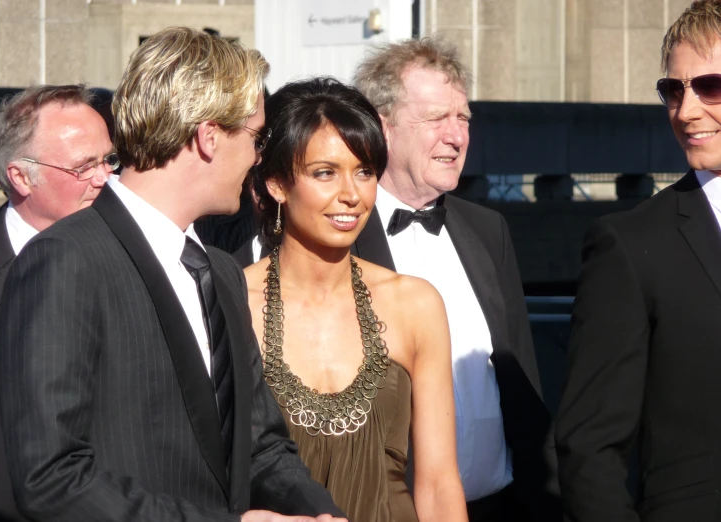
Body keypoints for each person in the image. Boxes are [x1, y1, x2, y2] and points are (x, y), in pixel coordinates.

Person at [0, 27, 345, 522]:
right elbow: (52, 479)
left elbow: (260, 446)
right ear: (208, 137)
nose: (260, 157)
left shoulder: (221, 271)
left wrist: (323, 515)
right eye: (257, 138)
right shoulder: (65, 260)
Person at [351, 38, 561, 521]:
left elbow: (522, 380)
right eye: (435, 119)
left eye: (463, 118)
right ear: (381, 126)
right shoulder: (339, 238)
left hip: (502, 506)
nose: (456, 137)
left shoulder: (489, 230)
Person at [243, 77, 468, 522]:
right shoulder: (231, 302)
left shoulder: (415, 305)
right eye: (324, 172)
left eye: (364, 171)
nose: (352, 194)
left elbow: (439, 481)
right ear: (276, 185)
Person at [556, 2, 721, 520]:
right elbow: (588, 449)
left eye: (709, 86)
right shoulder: (630, 245)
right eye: (673, 90)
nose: (686, 110)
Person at [0, 84, 113, 521]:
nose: (104, 177)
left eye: (109, 159)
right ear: (20, 177)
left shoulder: (133, 266)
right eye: (83, 166)